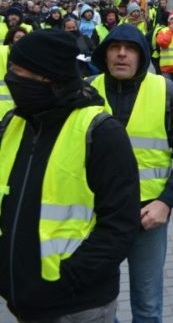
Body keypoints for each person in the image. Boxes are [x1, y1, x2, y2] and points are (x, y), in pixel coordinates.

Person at [0, 31, 140, 321]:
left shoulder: (100, 132)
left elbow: (120, 224)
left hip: (76, 306)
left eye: (19, 72)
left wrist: (69, 280)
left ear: (49, 78)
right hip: (21, 298)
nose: (11, 79)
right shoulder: (13, 123)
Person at [90, 24, 173, 322]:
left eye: (130, 49)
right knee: (97, 306)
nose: (121, 54)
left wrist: (166, 201)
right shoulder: (86, 91)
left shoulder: (163, 90)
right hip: (94, 218)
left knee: (147, 306)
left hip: (148, 215)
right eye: (114, 48)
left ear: (142, 56)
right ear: (104, 54)